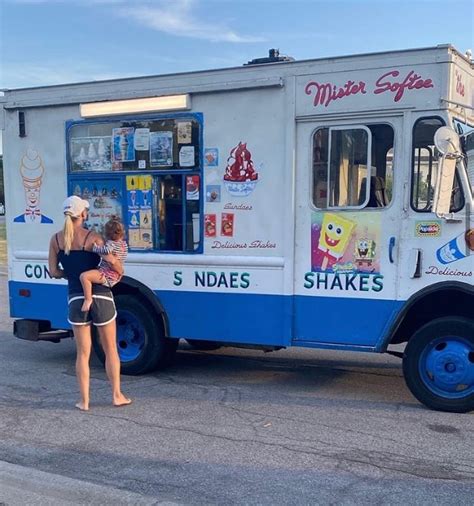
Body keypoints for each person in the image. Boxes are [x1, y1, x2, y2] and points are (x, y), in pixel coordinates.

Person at [48, 195, 131, 411]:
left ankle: (84, 401)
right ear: (83, 214)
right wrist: (120, 270)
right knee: (110, 348)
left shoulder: (56, 240)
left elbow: (53, 271)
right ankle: (117, 395)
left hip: (77, 298)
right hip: (102, 295)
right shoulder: (93, 238)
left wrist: (68, 274)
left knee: (83, 353)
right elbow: (111, 264)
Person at [80, 218, 128, 312]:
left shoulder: (111, 244)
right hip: (115, 275)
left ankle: (88, 299)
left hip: (106, 274)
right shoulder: (124, 245)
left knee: (84, 277)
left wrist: (94, 248)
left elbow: (106, 252)